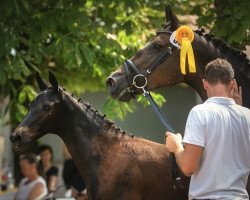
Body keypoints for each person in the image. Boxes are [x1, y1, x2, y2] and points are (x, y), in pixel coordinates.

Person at [165, 58, 250, 200]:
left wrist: (176, 146)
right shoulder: (247, 115)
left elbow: (188, 167)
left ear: (204, 83)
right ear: (233, 83)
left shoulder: (200, 112)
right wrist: (239, 110)